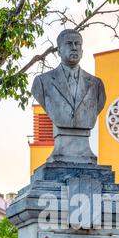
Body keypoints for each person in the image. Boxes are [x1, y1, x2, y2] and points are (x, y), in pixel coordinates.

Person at [31, 29, 106, 164]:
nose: (74, 47)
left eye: (78, 44)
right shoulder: (42, 82)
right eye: (69, 43)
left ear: (82, 51)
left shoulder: (96, 85)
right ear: (59, 51)